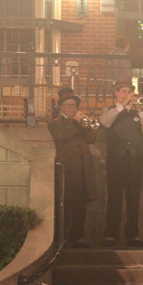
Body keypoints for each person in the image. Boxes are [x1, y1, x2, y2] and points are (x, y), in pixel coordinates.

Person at [99, 79, 143, 247]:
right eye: (122, 91)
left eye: (128, 91)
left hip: (135, 160)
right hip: (116, 159)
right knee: (114, 198)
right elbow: (104, 122)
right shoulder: (109, 110)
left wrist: (140, 110)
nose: (126, 94)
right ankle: (110, 234)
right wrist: (121, 106)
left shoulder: (137, 112)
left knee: (133, 198)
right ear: (116, 93)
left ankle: (133, 234)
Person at [48, 88, 97, 248]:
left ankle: (78, 236)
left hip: (83, 169)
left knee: (81, 204)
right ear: (61, 107)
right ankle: (62, 237)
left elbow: (92, 138)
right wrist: (76, 122)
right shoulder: (55, 124)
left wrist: (85, 125)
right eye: (68, 105)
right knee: (66, 205)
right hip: (67, 170)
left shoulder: (81, 123)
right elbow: (62, 137)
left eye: (74, 105)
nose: (71, 108)